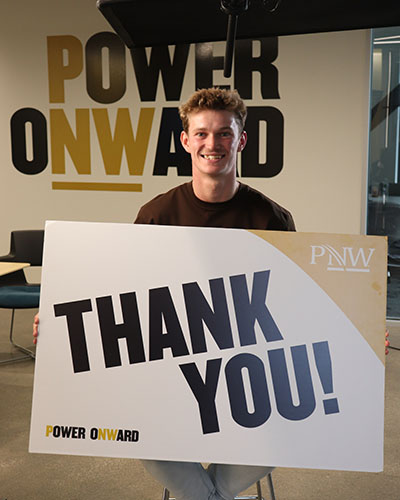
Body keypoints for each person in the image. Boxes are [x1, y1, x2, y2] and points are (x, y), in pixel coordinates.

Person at [33, 87, 389, 500]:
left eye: (224, 133)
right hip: (172, 369)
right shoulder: (156, 216)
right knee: (136, 430)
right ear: (185, 141)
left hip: (246, 376)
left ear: (241, 140)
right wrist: (59, 319)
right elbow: (122, 292)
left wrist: (359, 335)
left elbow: (298, 305)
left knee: (294, 427)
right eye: (202, 133)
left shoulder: (271, 218)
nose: (212, 143)